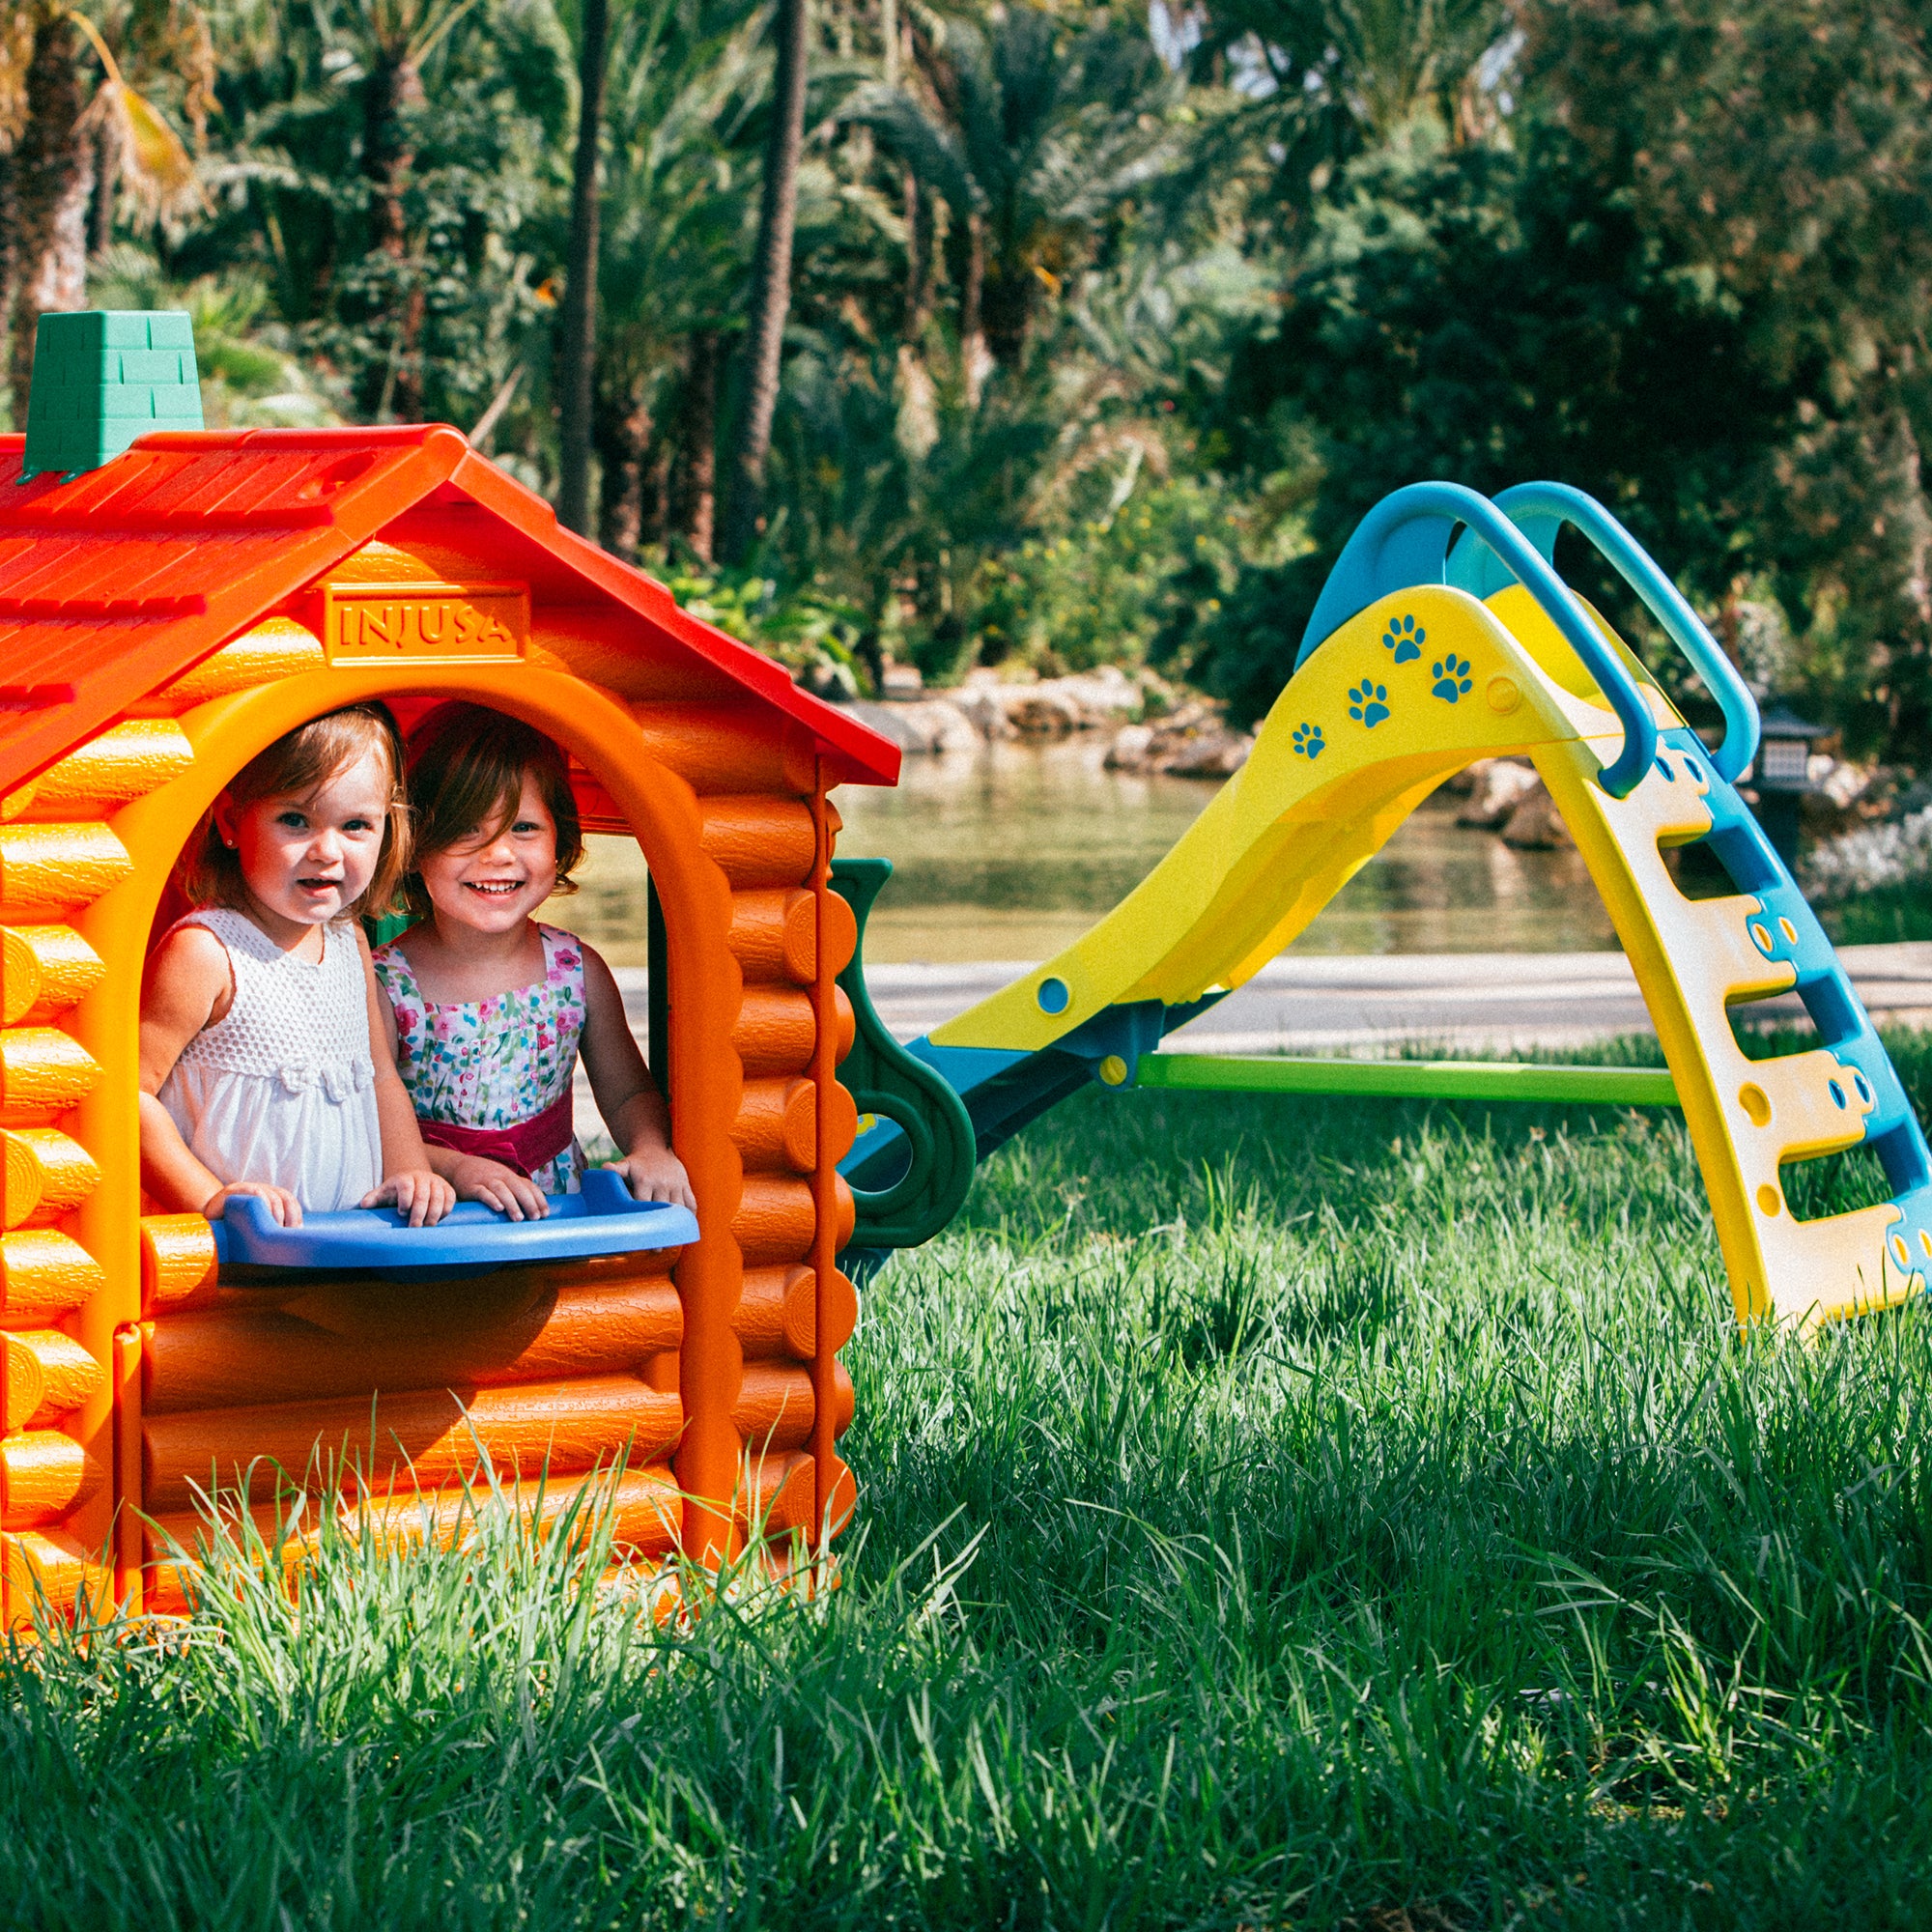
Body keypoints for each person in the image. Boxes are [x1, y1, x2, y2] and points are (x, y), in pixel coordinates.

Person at [372, 702, 695, 1221]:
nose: (498, 854)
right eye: (466, 830)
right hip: (435, 1216)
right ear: (413, 846)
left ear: (560, 839)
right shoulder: (385, 984)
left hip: (553, 1207)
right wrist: (458, 1169)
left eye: (523, 828)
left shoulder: (576, 969)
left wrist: (651, 1147)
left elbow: (629, 1091)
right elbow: (368, 1128)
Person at [139, 704, 456, 1229]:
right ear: (230, 822)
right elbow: (131, 1095)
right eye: (295, 820)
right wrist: (211, 1200)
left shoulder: (348, 939)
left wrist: (410, 1170)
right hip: (232, 1256)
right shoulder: (207, 952)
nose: (326, 850)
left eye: (356, 825)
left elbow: (379, 1074)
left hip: (342, 1242)